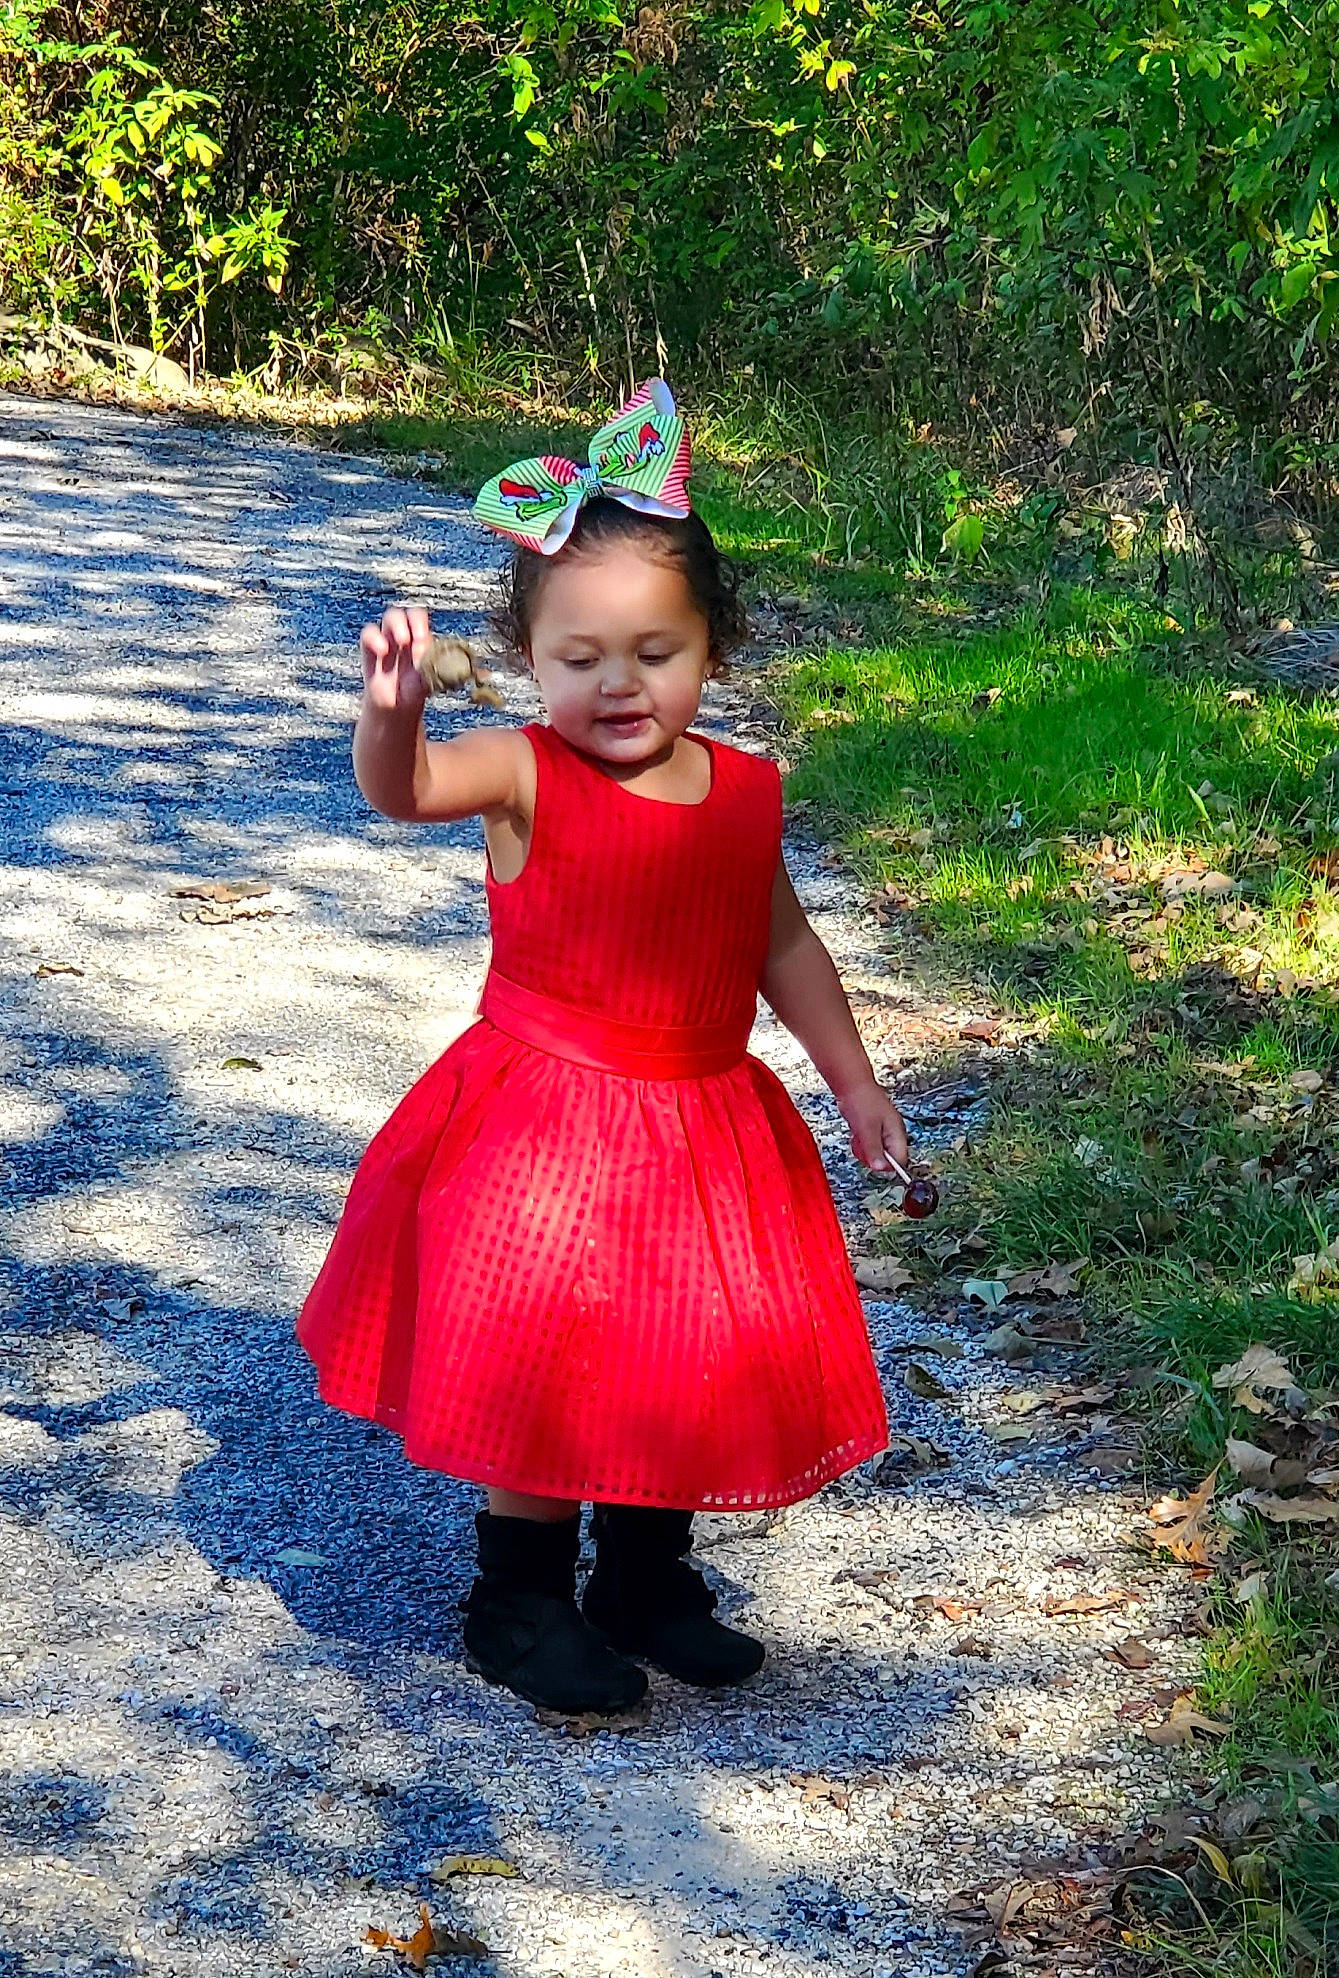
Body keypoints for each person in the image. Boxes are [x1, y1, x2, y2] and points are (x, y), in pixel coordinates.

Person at [298, 382, 902, 1715]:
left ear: (715, 649)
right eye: (579, 659)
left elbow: (782, 944)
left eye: (653, 651)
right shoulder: (524, 773)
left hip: (699, 1119)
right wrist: (391, 711)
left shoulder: (743, 794)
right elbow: (402, 789)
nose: (617, 684)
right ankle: (518, 1599)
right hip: (548, 1125)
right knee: (549, 1354)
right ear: (528, 658)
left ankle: (644, 1576)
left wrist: (855, 1084)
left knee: (675, 1345)